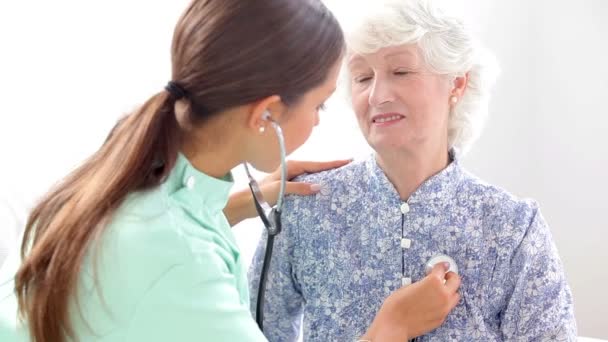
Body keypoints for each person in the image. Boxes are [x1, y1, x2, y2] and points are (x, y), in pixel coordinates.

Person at [0, 0, 462, 341]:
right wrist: (391, 328)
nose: (323, 119)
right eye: (319, 104)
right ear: (266, 115)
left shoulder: (125, 193)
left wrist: (235, 205)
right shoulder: (178, 259)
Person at [249, 0, 577, 341]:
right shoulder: (304, 207)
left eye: (400, 72)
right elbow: (252, 333)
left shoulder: (513, 227)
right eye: (362, 77)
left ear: (457, 84)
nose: (377, 95)